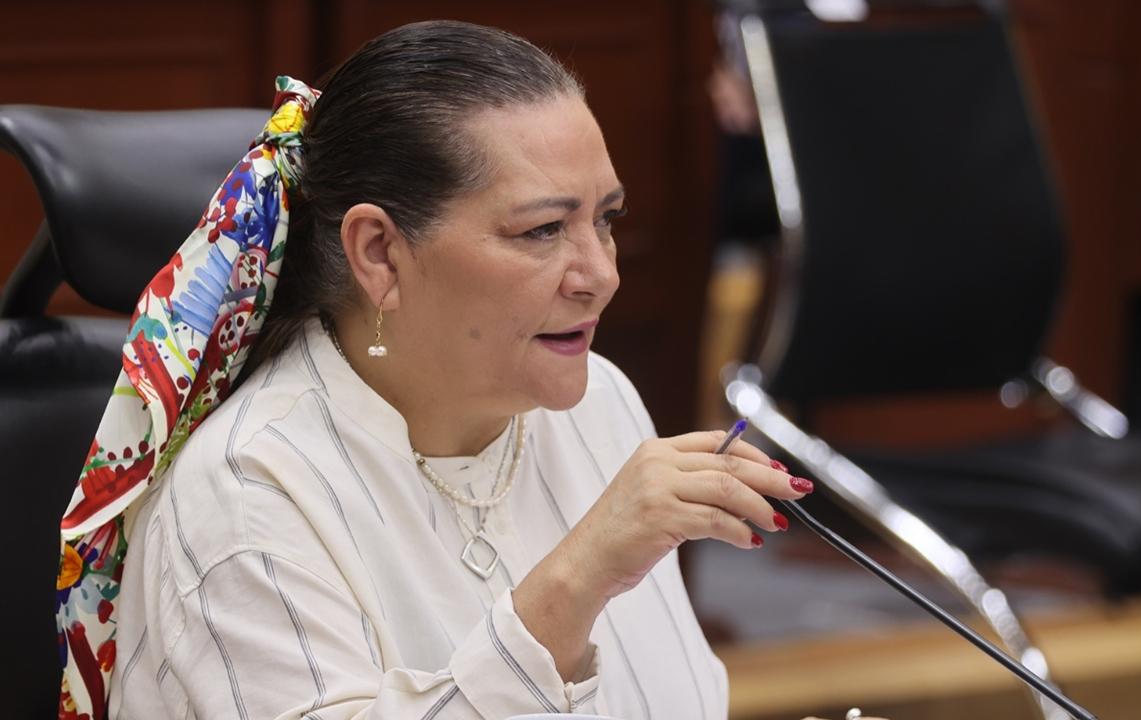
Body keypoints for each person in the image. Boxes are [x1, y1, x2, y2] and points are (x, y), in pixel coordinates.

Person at [55, 20, 816, 720]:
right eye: (544, 229)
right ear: (380, 254)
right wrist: (577, 579)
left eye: (605, 220)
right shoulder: (248, 493)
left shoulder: (602, 402)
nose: (600, 274)